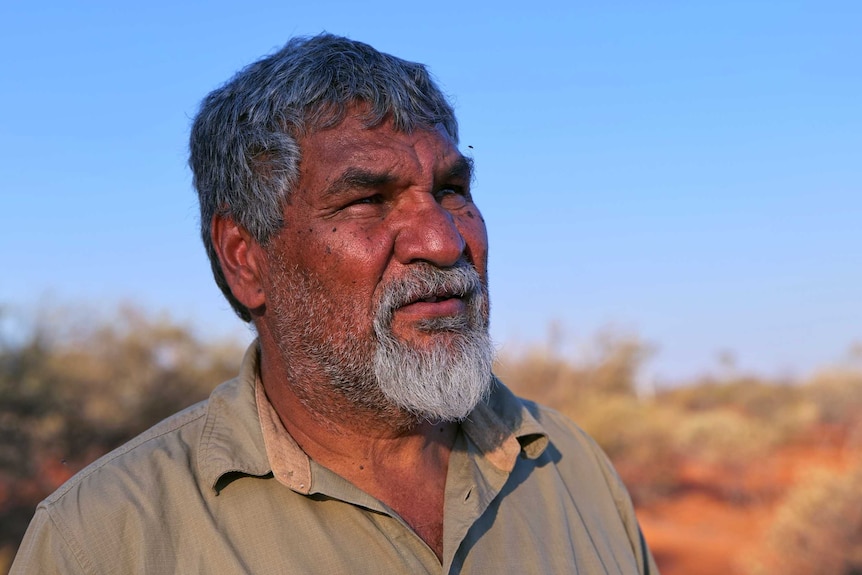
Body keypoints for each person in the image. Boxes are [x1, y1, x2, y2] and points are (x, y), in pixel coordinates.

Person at [11, 34, 658, 574]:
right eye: (367, 200)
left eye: (453, 189)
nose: (443, 239)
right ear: (246, 257)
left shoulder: (568, 466)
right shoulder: (104, 539)